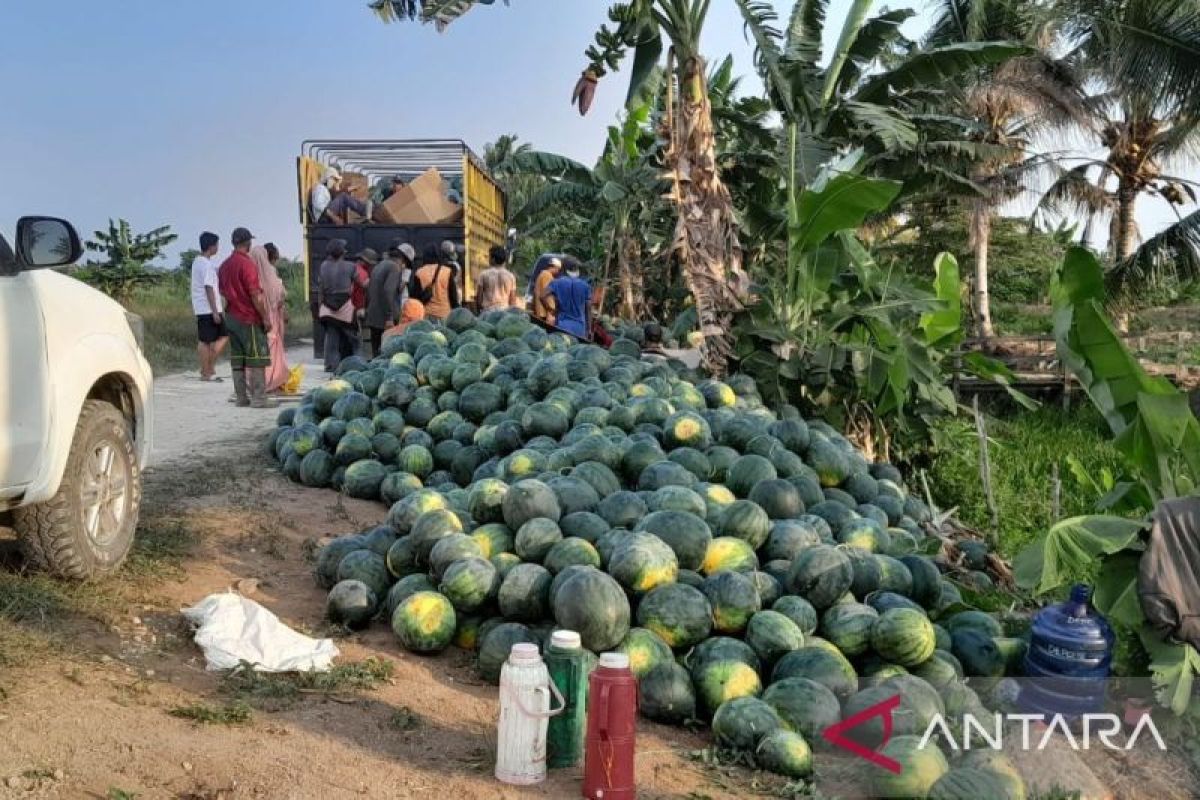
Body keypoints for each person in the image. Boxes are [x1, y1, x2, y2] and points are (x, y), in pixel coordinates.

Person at [217, 227, 276, 408]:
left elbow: (222, 292)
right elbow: (255, 295)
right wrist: (265, 317)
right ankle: (259, 398)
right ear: (248, 242)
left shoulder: (224, 265)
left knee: (238, 359)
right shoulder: (247, 264)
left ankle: (241, 398)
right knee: (257, 357)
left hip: (232, 317)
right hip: (248, 317)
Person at [317, 239, 365, 372]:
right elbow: (362, 284)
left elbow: (320, 289)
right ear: (343, 252)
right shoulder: (350, 266)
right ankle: (360, 365)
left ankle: (331, 366)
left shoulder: (323, 266)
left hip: (328, 307)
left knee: (332, 340)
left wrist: (321, 307)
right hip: (345, 307)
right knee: (355, 339)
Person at [251, 242, 289, 393]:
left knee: (258, 349)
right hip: (271, 316)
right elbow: (280, 297)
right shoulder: (270, 273)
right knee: (272, 349)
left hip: (256, 316)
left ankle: (256, 383)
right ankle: (272, 381)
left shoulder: (251, 273)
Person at [190, 231, 228, 381]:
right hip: (208, 308)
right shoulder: (205, 265)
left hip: (202, 308)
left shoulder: (197, 262)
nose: (218, 248)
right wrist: (215, 311)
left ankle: (207, 368)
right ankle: (207, 370)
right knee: (211, 339)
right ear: (211, 246)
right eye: (217, 245)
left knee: (210, 339)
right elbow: (208, 288)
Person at [366, 240, 414, 355]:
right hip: (385, 320)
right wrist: (389, 317)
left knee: (376, 353)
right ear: (403, 259)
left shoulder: (380, 265)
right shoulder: (394, 268)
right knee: (386, 355)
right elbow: (389, 291)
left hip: (374, 317)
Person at [409, 243, 461, 321]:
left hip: (426, 315)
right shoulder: (447, 271)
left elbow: (415, 297)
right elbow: (453, 296)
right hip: (444, 315)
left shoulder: (420, 272)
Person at [543, 258, 592, 340]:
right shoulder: (585, 286)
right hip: (579, 328)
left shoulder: (557, 282)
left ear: (564, 269)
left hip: (562, 327)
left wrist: (551, 310)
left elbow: (542, 295)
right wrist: (589, 329)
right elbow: (588, 308)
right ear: (577, 270)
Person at [475, 245, 520, 313]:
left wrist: (479, 312)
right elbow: (512, 300)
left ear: (493, 259)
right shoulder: (510, 276)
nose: (488, 259)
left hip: (488, 312)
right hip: (504, 313)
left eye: (489, 257)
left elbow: (479, 299)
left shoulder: (484, 275)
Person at [530, 257, 561, 326]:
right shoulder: (547, 275)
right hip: (543, 313)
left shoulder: (542, 274)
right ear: (554, 267)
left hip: (539, 311)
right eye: (558, 269)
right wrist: (550, 313)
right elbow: (547, 296)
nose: (558, 272)